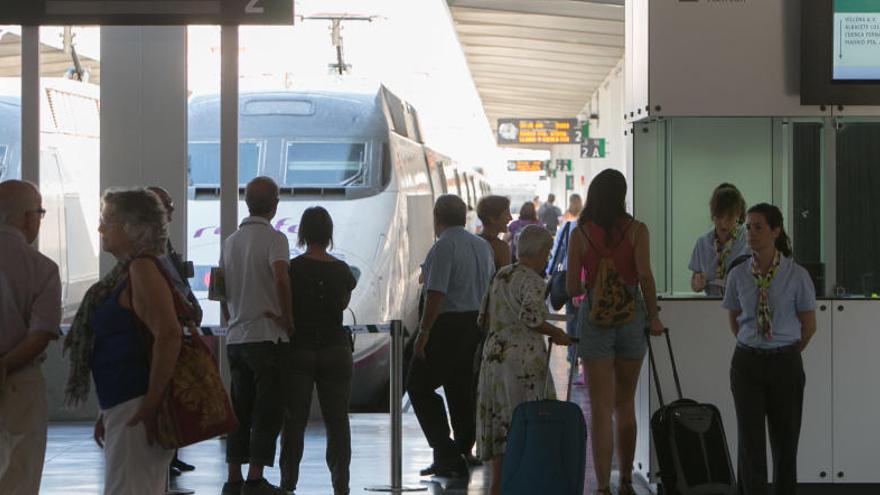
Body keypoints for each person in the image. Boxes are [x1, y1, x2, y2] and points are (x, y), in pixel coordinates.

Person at [64, 188, 182, 495]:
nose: (101, 228)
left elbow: (168, 336)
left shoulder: (142, 269)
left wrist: (151, 405)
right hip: (125, 403)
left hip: (136, 403)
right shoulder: (129, 271)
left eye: (108, 221)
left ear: (134, 227)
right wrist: (108, 413)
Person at [565, 169, 664, 495]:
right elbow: (645, 277)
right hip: (632, 317)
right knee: (624, 404)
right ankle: (625, 482)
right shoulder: (637, 230)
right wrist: (653, 317)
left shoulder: (580, 233)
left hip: (595, 320)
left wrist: (592, 284)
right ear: (622, 195)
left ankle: (603, 486)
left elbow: (572, 286)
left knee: (600, 407)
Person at [723, 203, 816, 495]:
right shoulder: (738, 274)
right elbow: (735, 321)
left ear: (775, 231)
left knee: (785, 443)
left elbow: (808, 326)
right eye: (747, 227)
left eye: (758, 227)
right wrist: (757, 343)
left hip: (785, 361)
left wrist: (782, 349)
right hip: (747, 362)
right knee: (750, 444)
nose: (750, 233)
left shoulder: (797, 275)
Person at [476, 225, 572, 495]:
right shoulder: (533, 281)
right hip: (523, 361)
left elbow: (482, 318)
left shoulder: (501, 275)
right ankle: (524, 480)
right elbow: (532, 318)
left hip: (494, 356)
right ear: (540, 251)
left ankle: (497, 485)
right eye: (548, 251)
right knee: (527, 418)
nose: (547, 256)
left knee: (499, 419)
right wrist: (557, 334)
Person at [408, 194, 495, 478]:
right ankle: (460, 451)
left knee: (418, 385)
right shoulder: (482, 246)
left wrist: (423, 332)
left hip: (447, 326)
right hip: (476, 325)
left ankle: (445, 451)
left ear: (437, 218)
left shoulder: (443, 246)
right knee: (461, 389)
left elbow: (436, 294)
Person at [220, 177, 293, 495]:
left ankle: (233, 477)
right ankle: (255, 478)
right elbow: (281, 277)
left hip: (236, 338)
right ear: (274, 204)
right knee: (267, 411)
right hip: (267, 337)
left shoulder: (230, 241)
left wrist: (231, 319)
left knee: (239, 411)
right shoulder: (275, 239)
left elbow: (219, 290)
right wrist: (286, 317)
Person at [280, 206, 357, 495]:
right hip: (335, 349)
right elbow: (341, 305)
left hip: (298, 348)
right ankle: (341, 485)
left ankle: (288, 483)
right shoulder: (341, 270)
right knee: (337, 422)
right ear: (328, 234)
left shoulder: (292, 268)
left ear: (303, 233)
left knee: (294, 420)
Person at [0, 180, 61, 495]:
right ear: (27, 217)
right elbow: (40, 334)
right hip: (20, 382)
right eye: (40, 212)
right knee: (20, 472)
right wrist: (6, 364)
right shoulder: (42, 268)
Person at [146, 186, 201, 479]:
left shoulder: (163, 246)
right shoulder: (149, 254)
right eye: (168, 205)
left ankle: (172, 455)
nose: (172, 211)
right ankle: (165, 460)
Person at [690, 183, 749, 297]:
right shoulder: (703, 243)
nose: (723, 223)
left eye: (730, 217)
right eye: (719, 217)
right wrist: (697, 283)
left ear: (739, 215)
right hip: (712, 308)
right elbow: (694, 282)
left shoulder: (749, 240)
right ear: (713, 215)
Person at [476, 195, 513, 270]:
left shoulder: (472, 242)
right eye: (506, 214)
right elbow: (506, 279)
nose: (511, 218)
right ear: (492, 218)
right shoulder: (502, 248)